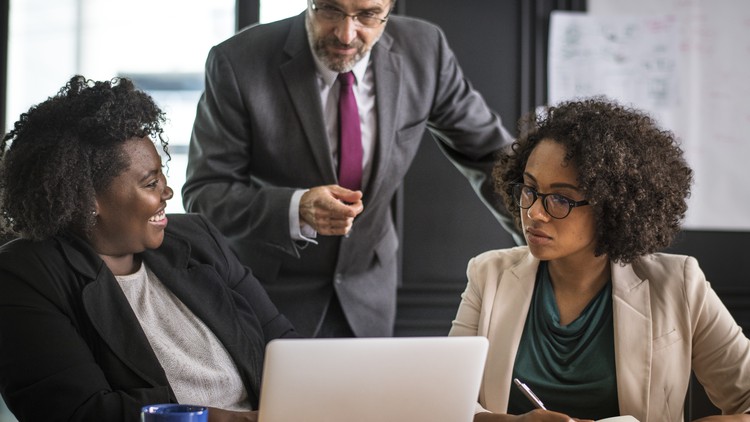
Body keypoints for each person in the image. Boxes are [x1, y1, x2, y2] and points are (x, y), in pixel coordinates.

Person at [182, 0, 523, 338]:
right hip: (268, 295)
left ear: (389, 7)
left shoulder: (425, 50)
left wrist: (548, 237)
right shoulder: (238, 61)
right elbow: (205, 193)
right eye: (330, 9)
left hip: (370, 291)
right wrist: (296, 208)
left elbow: (493, 156)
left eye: (368, 15)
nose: (346, 34)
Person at [0, 76, 297, 422]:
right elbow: (81, 412)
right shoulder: (25, 275)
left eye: (163, 176)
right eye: (151, 183)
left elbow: (284, 347)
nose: (167, 193)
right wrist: (235, 420)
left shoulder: (197, 238)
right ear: (88, 200)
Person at [449, 98, 750, 422]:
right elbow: (446, 400)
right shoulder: (488, 274)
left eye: (560, 199)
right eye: (530, 189)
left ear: (613, 207)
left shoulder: (680, 284)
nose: (534, 212)